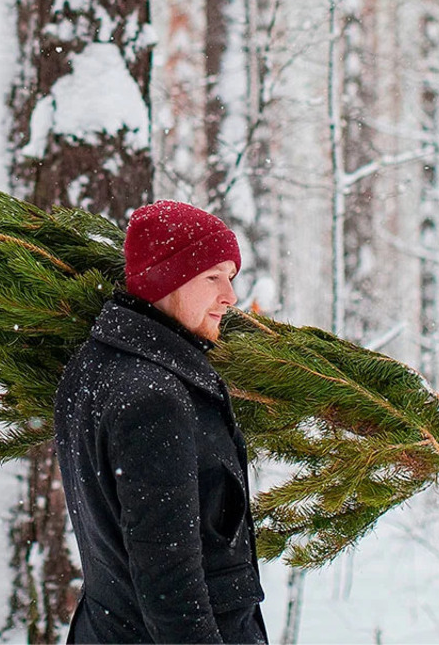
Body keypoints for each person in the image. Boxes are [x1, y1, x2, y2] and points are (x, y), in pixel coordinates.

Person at [54, 200, 267, 644]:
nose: (229, 297)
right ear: (165, 281)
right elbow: (169, 580)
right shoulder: (155, 397)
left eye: (230, 277)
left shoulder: (92, 365)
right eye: (213, 277)